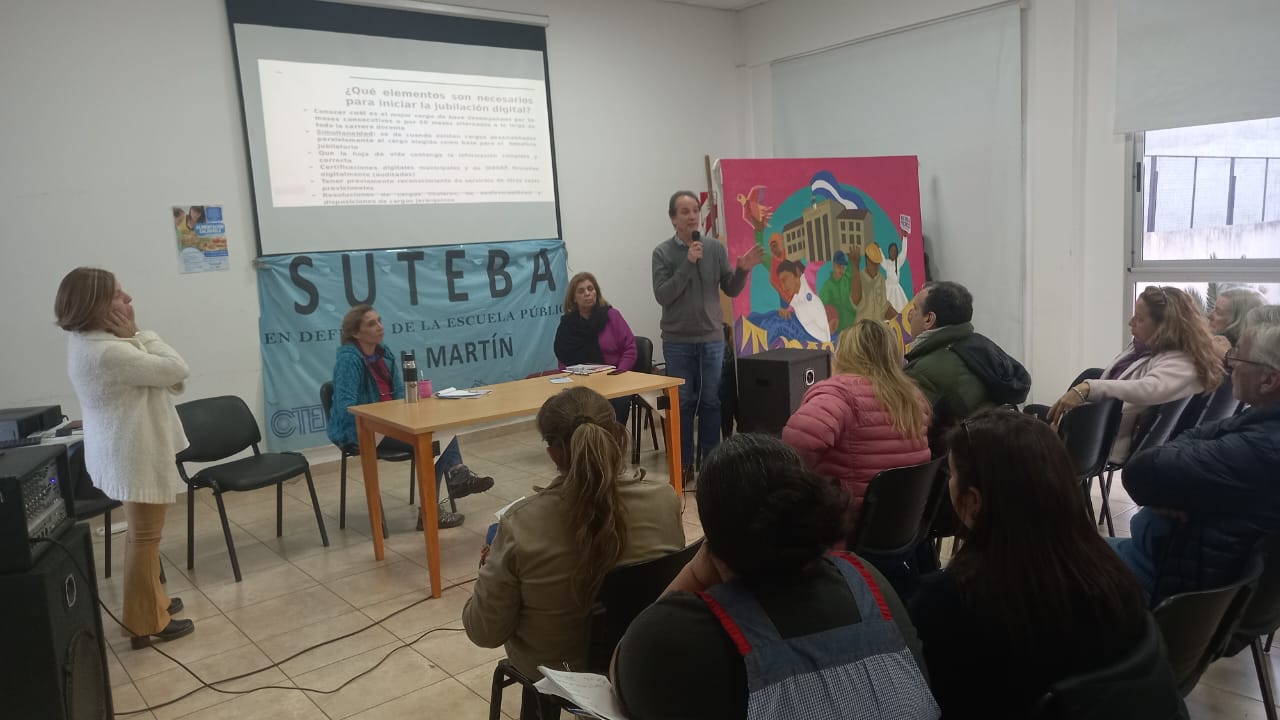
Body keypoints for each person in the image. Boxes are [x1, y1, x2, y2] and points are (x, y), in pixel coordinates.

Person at [612, 434, 937, 720]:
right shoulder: (867, 579)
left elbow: (623, 664)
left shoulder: (683, 638)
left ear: (715, 544)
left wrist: (696, 572)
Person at [908, 409, 1154, 718]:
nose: (948, 483)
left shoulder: (948, 600)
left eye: (952, 474)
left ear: (973, 502)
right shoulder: (1115, 577)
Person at [463, 387, 684, 719]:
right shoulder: (664, 500)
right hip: (641, 657)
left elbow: (484, 631)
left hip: (559, 672)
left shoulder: (521, 525)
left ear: (554, 453)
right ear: (617, 436)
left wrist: (488, 570)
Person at [55, 267, 195, 649]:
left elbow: (168, 378)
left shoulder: (88, 342)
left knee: (141, 536)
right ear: (97, 305)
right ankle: (144, 621)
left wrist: (133, 340)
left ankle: (153, 600)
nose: (128, 298)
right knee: (145, 538)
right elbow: (177, 369)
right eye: (118, 294)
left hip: (122, 453)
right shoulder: (109, 351)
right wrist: (138, 334)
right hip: (134, 455)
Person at [1111, 306, 1280, 605]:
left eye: (1238, 356)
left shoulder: (1260, 448)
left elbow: (1140, 472)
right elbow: (1195, 435)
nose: (1230, 363)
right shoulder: (1261, 423)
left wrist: (1176, 488)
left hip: (1171, 579)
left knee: (1043, 558)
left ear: (1268, 381)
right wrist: (1182, 488)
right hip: (1191, 566)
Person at [326, 304, 493, 530]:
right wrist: (383, 416)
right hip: (361, 429)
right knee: (432, 442)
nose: (380, 327)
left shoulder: (384, 353)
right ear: (356, 333)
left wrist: (408, 412)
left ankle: (455, 478)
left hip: (392, 423)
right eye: (372, 324)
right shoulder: (349, 360)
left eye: (379, 320)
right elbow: (346, 406)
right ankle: (439, 502)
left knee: (439, 429)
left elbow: (398, 393)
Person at [652, 190, 764, 482]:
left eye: (695, 210)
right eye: (684, 211)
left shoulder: (714, 248)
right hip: (678, 342)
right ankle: (684, 464)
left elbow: (731, 289)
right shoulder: (662, 253)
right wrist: (688, 262)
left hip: (712, 339)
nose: (692, 216)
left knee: (712, 401)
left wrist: (742, 271)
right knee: (684, 403)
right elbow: (663, 295)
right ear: (673, 219)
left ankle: (712, 464)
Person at [1048, 285, 1224, 462]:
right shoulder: (1141, 347)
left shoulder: (1182, 362)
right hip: (1093, 428)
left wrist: (1088, 388)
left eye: (1140, 318)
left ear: (1164, 326)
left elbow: (1148, 389)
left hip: (1102, 442)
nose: (1131, 322)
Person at [782, 320, 931, 528]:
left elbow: (790, 452)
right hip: (902, 527)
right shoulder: (915, 398)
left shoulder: (839, 394)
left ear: (846, 353)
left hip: (846, 528)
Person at [903, 281, 1029, 447]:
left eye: (915, 308)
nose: (909, 315)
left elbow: (909, 434)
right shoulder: (982, 347)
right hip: (998, 450)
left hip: (958, 458)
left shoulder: (921, 371)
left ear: (929, 319)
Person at [554, 271, 637, 424]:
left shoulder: (612, 316)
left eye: (590, 289)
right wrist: (571, 380)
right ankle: (585, 438)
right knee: (569, 408)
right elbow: (563, 356)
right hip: (580, 383)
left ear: (596, 292)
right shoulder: (567, 325)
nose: (587, 293)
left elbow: (630, 349)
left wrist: (618, 374)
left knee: (619, 401)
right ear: (574, 298)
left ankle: (611, 437)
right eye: (581, 291)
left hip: (613, 379)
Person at [850, 243, 898, 323]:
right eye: (873, 263)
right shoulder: (859, 277)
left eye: (877, 264)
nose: (876, 267)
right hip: (862, 326)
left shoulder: (881, 279)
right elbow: (855, 300)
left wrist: (899, 318)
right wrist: (855, 265)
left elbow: (884, 307)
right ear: (867, 260)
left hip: (877, 327)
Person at [818, 250, 856, 331]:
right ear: (834, 266)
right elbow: (820, 307)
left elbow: (850, 270)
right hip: (837, 329)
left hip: (851, 325)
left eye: (843, 268)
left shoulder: (845, 280)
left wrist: (850, 258)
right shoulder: (827, 286)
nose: (841, 270)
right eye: (839, 267)